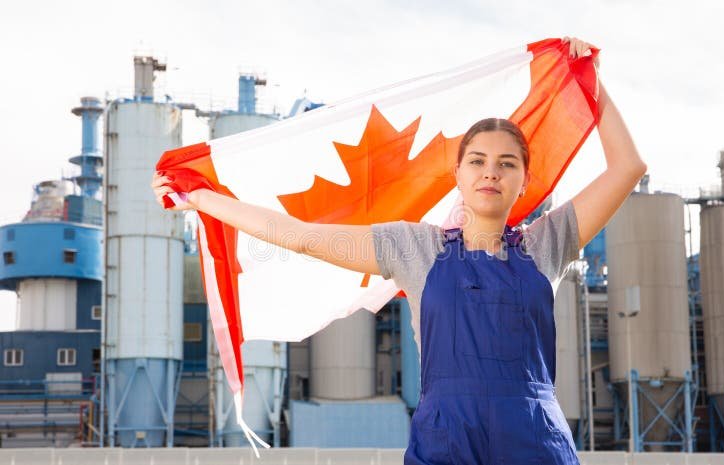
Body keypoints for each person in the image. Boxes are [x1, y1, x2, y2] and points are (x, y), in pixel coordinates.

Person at [152, 36, 646, 464]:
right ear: (458, 176)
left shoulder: (548, 245)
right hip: (446, 443)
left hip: (535, 443)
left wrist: (591, 81)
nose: (490, 172)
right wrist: (201, 199)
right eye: (477, 161)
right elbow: (299, 234)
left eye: (506, 164)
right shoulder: (415, 247)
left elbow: (628, 167)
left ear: (524, 181)